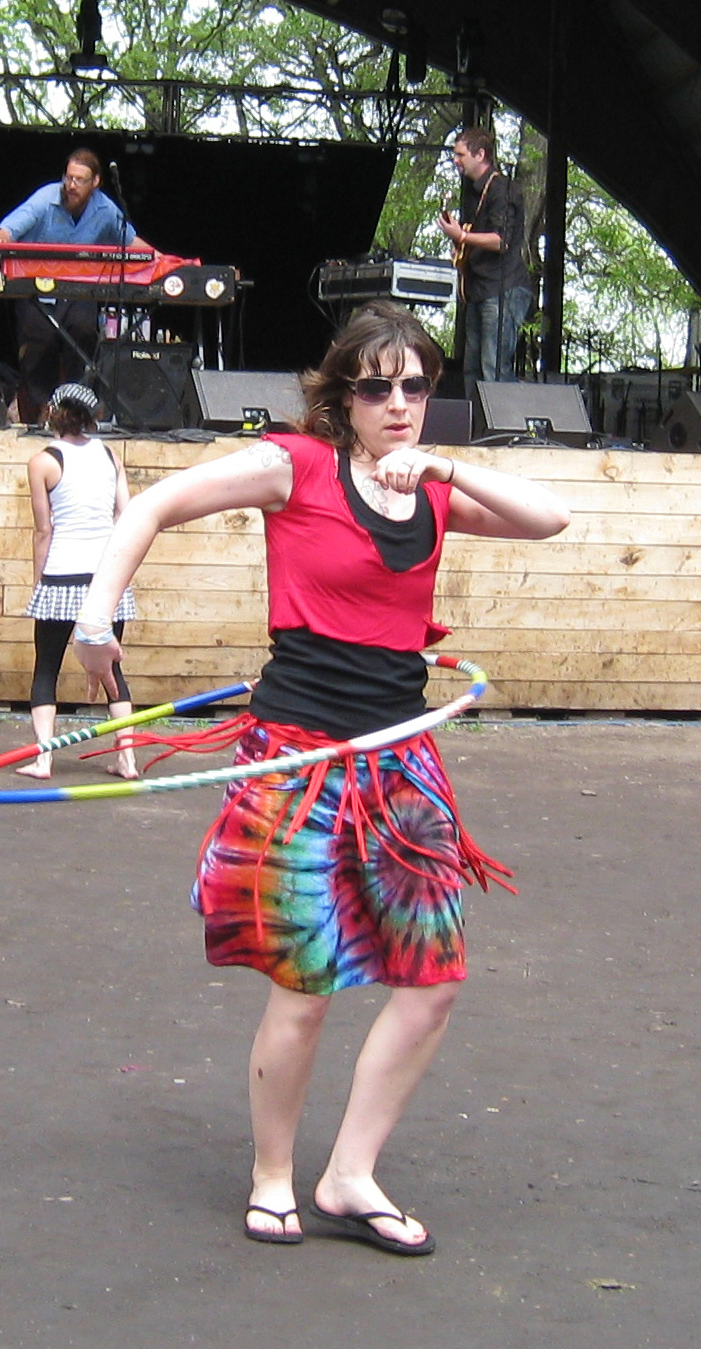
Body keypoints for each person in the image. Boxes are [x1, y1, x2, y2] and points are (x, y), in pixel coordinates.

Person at [72, 302, 568, 1254]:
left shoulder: (431, 493)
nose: (397, 403)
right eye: (376, 386)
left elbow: (551, 519)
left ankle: (350, 1175)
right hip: (297, 762)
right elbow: (151, 505)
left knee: (433, 979)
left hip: (401, 763)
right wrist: (98, 624)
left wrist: (448, 465)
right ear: (342, 395)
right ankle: (271, 1175)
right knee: (306, 987)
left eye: (415, 385)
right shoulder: (292, 466)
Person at [23, 382, 139, 781]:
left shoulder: (43, 461)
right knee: (112, 672)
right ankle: (127, 760)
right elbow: (126, 516)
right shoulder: (110, 456)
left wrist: (39, 582)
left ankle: (43, 760)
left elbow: (44, 530)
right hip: (105, 576)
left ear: (54, 411)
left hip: (62, 573)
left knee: (46, 669)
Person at [0, 149, 150, 423]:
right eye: (68, 178)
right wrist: (2, 240)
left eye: (80, 179)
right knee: (38, 340)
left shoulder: (105, 209)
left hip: (80, 291)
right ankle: (41, 409)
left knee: (83, 333)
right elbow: (8, 229)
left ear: (96, 182)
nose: (72, 185)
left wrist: (166, 262)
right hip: (36, 289)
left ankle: (78, 408)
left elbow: (131, 242)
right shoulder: (45, 199)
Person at [437, 126, 531, 384]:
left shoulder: (504, 189)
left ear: (480, 155)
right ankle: (476, 425)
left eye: (460, 154)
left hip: (504, 288)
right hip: (479, 288)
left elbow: (501, 242)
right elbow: (471, 235)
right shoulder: (471, 190)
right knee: (472, 370)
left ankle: (503, 425)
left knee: (494, 369)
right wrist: (461, 246)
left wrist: (462, 237)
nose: (455, 160)